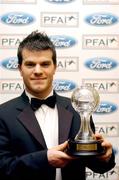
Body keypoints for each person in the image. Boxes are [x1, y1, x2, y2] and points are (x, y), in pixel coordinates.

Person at [0, 30, 115, 180]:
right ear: (20, 69)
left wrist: (105, 157)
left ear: (55, 67)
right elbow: (3, 167)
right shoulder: (3, 114)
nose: (38, 71)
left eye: (45, 64)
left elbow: (96, 165)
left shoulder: (77, 109)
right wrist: (45, 159)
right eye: (30, 64)